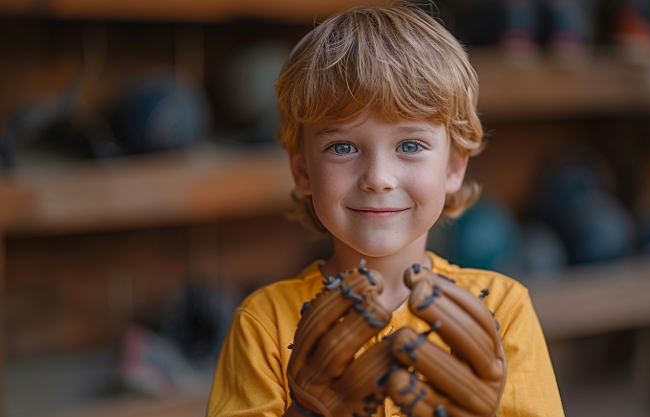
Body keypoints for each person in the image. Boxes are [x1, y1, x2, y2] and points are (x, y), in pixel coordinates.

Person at [207, 2, 564, 416]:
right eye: (342, 147)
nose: (378, 177)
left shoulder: (502, 310)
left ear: (453, 168)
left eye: (410, 145)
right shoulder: (264, 324)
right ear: (302, 171)